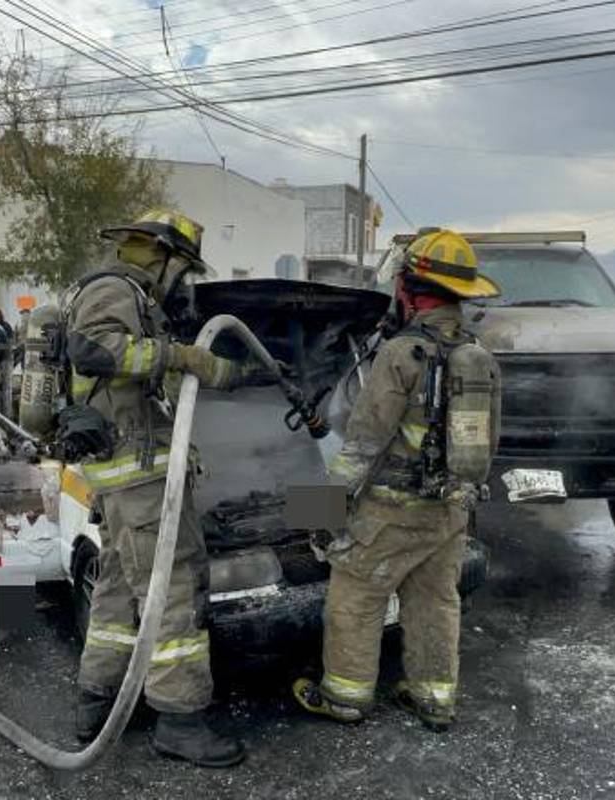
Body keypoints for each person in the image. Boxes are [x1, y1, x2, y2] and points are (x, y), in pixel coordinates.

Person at [70, 208, 277, 768]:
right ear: (161, 256)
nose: (184, 284)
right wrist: (186, 356)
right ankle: (180, 723)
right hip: (139, 478)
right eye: (183, 270)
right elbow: (96, 352)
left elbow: (150, 378)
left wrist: (232, 374)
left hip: (129, 477)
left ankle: (98, 700)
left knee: (117, 591)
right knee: (173, 591)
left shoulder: (138, 302)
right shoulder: (115, 289)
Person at [293, 228, 503, 732]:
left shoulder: (401, 353)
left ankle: (344, 697)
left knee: (355, 593)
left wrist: (316, 515)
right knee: (436, 599)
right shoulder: (479, 356)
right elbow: (485, 445)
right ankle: (434, 699)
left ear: (409, 289)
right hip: (449, 510)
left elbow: (362, 446)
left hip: (389, 508)